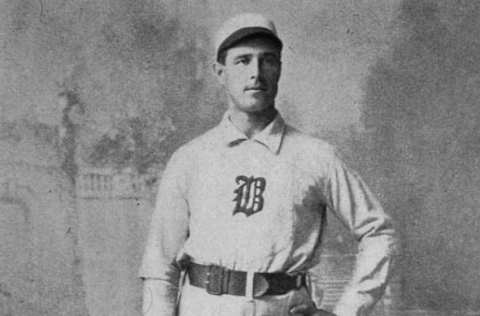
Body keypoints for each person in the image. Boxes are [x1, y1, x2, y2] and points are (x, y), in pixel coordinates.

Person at [139, 13, 398, 316]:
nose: (256, 73)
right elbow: (160, 267)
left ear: (279, 69)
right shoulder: (190, 159)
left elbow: (379, 232)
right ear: (219, 72)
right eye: (243, 61)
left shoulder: (315, 156)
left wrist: (348, 311)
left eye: (268, 60)